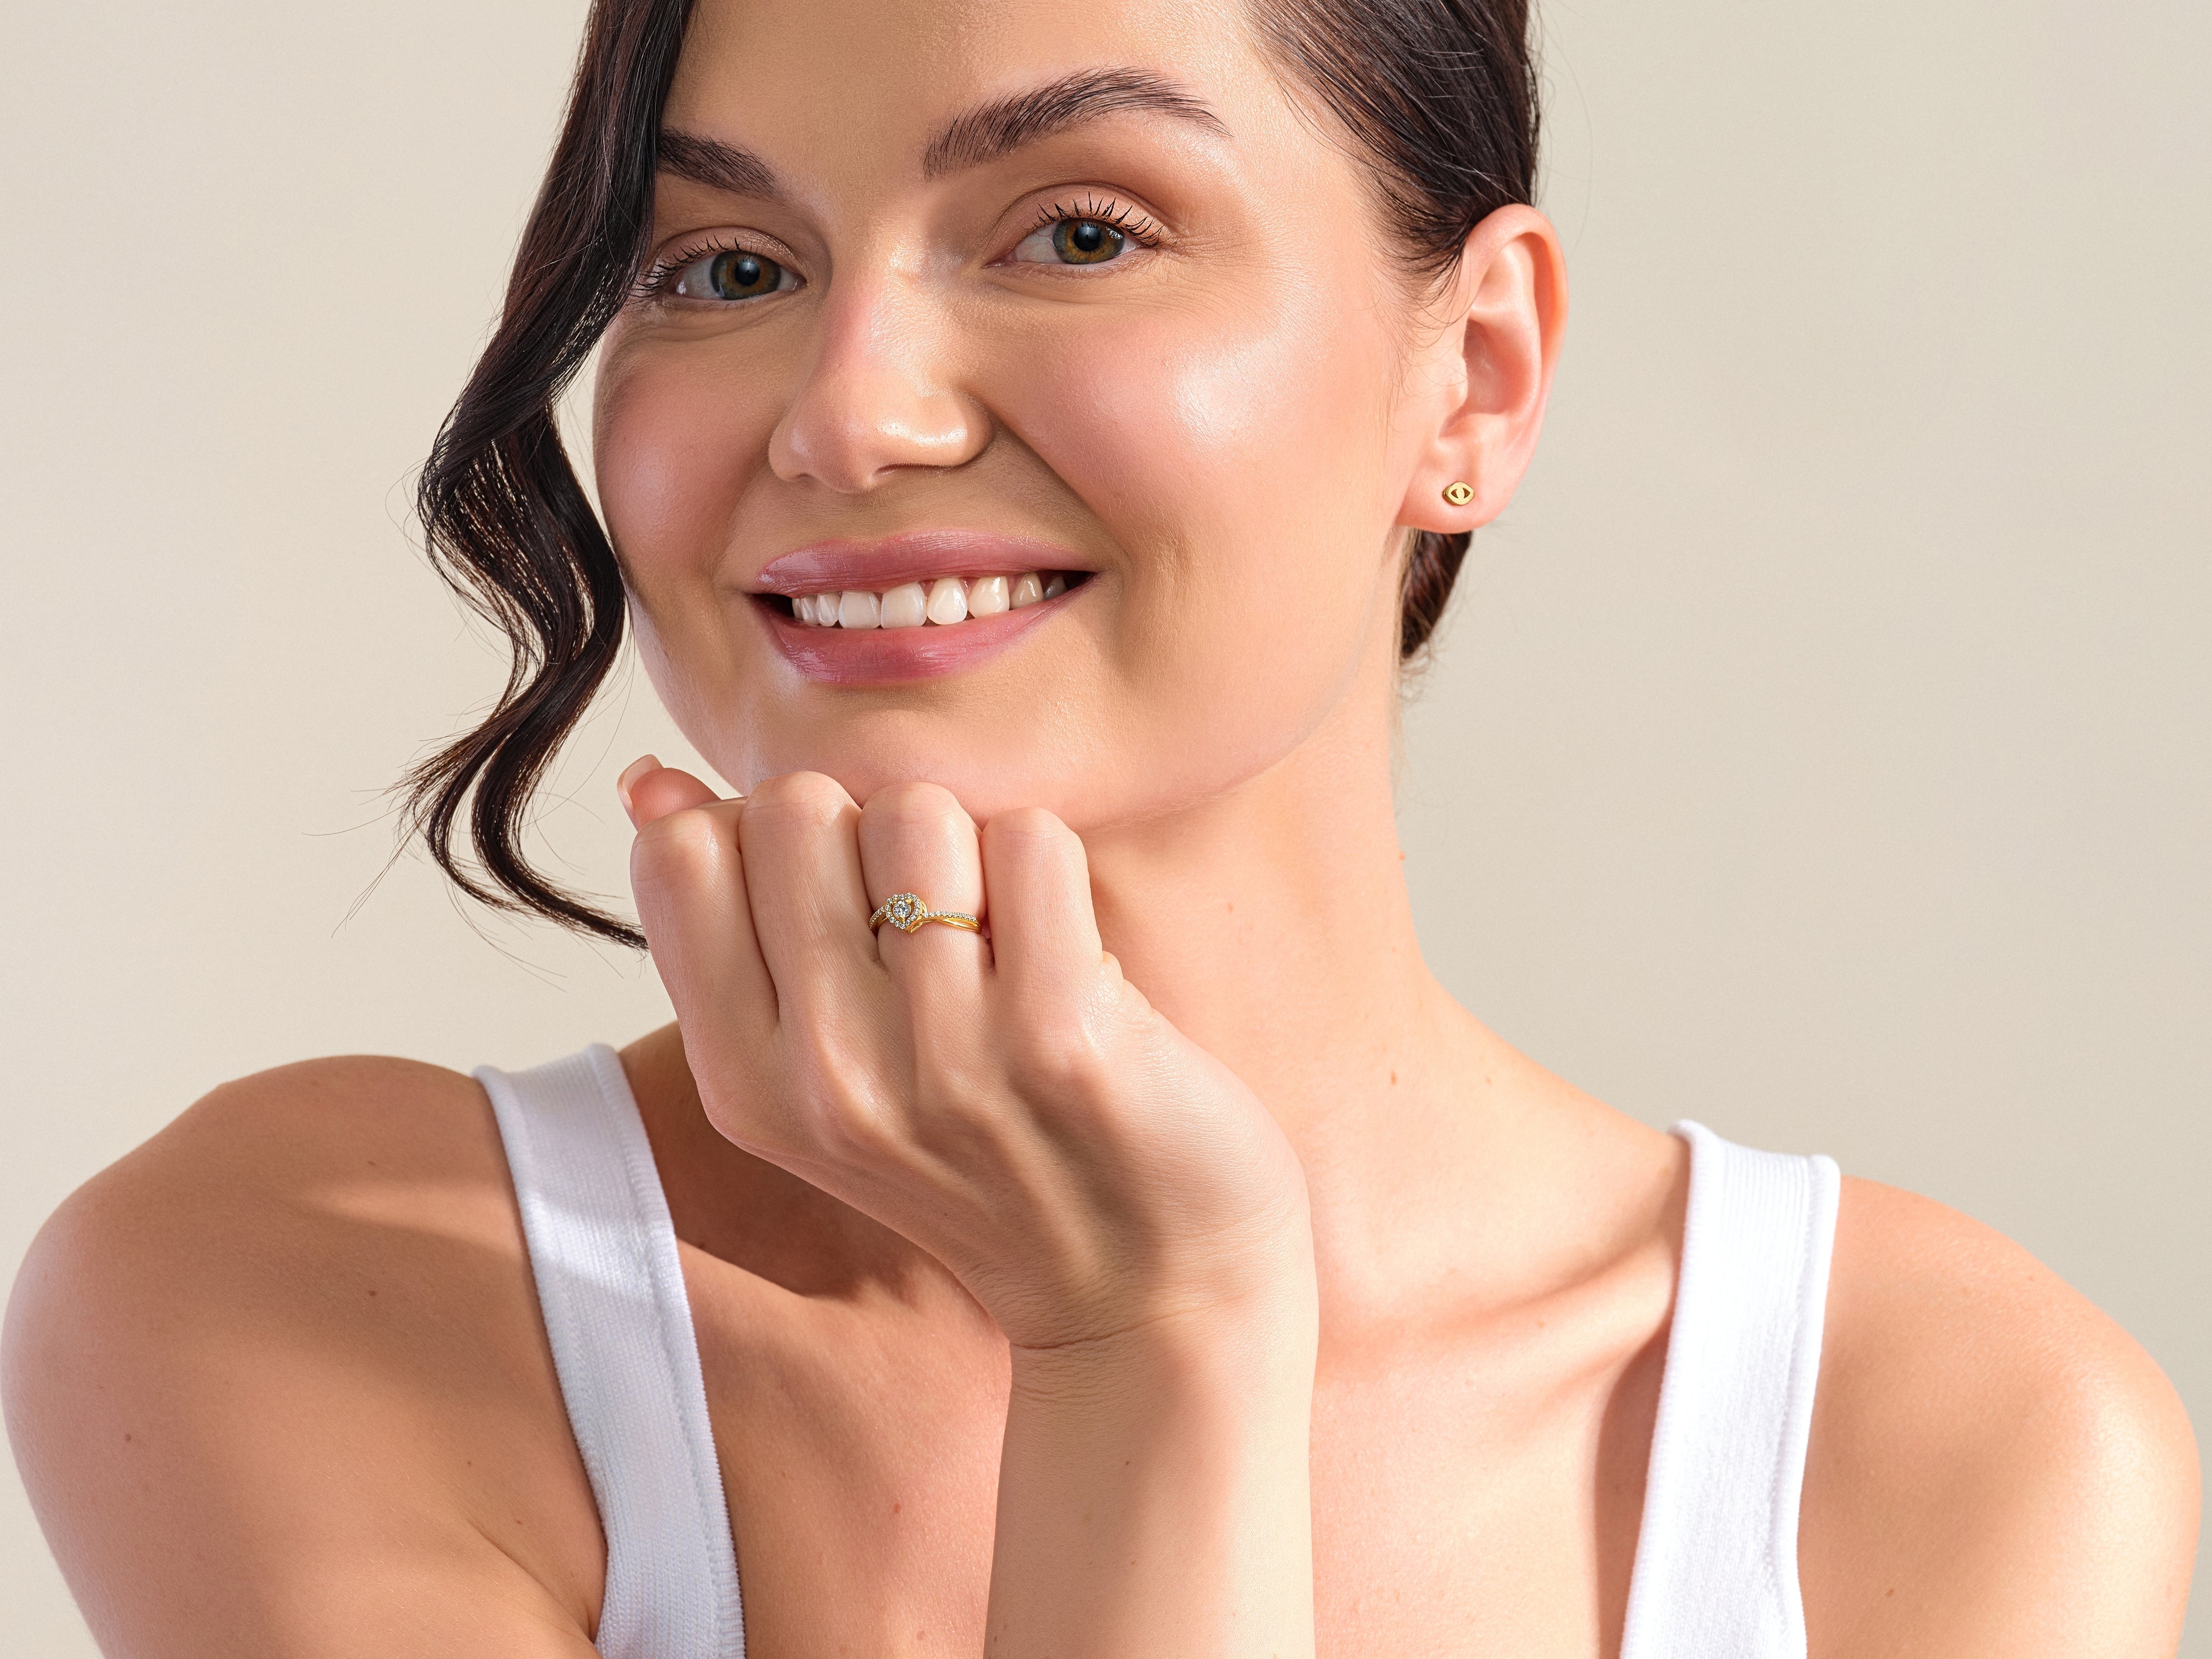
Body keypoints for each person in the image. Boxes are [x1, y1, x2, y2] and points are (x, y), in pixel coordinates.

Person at [3, 0, 2198, 1652]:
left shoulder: (1932, 1451)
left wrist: (1151, 1319)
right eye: (722, 267)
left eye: (1076, 229)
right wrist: (1148, 1337)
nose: (852, 413)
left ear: (1479, 375)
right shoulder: (319, 1297)